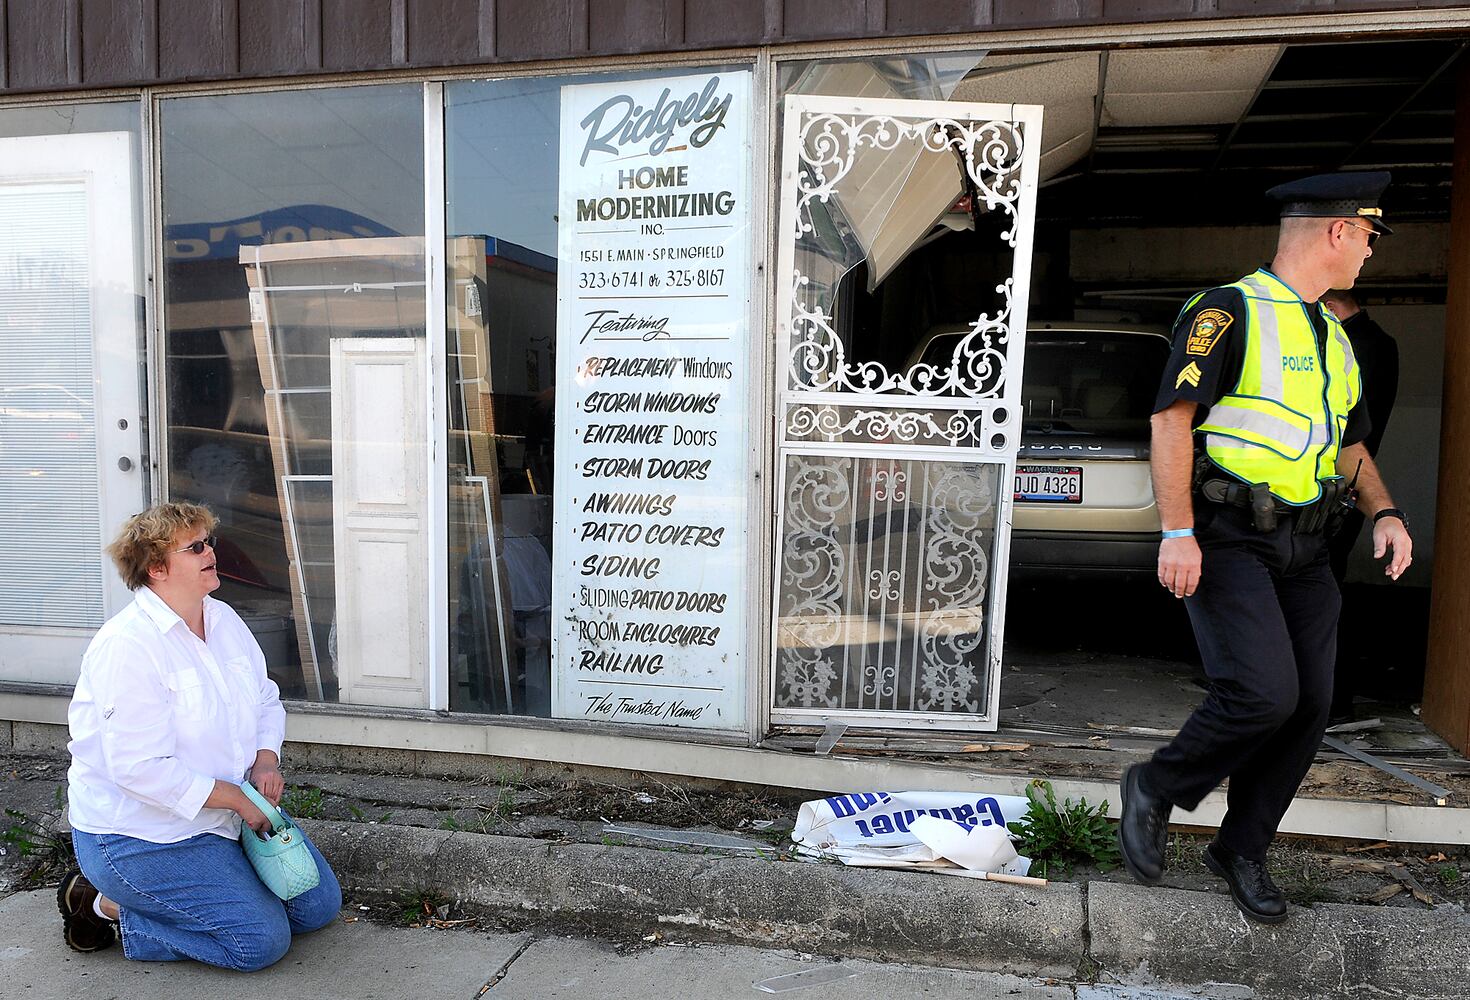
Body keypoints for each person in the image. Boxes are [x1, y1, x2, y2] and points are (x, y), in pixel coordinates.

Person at [1119, 172, 1413, 924]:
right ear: (1338, 232)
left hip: (1309, 547)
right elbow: (1170, 423)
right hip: (1229, 534)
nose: (1371, 256)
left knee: (1310, 703)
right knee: (1261, 692)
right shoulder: (1227, 311)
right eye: (1370, 238)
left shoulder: (1336, 338)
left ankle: (1241, 847)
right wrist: (1177, 531)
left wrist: (1385, 513)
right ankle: (1157, 785)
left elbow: (1349, 444)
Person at [58, 502, 341, 968]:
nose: (211, 551)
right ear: (157, 568)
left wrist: (266, 758)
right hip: (140, 834)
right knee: (259, 943)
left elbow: (265, 697)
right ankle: (105, 904)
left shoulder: (223, 618)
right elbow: (136, 769)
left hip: (224, 815)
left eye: (208, 541)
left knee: (315, 909)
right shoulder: (127, 647)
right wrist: (236, 798)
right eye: (195, 547)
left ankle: (203, 896)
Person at [1319, 288, 1400, 723]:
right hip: (1354, 487)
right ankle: (1329, 696)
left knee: (1321, 591)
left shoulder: (1351, 345)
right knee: (1327, 587)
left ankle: (1330, 699)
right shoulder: (1381, 342)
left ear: (1330, 306)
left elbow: (1342, 429)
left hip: (1339, 488)